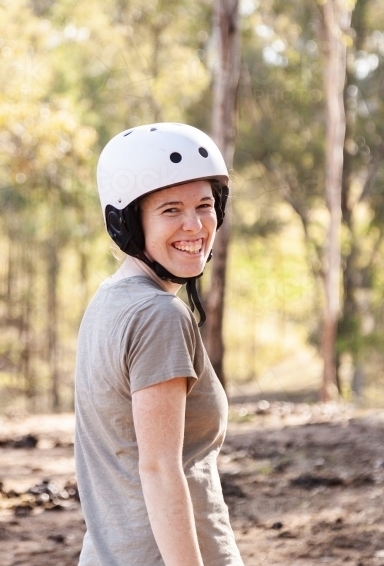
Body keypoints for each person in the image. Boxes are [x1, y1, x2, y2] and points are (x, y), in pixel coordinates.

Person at [74, 123, 244, 566]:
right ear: (129, 223)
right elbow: (160, 470)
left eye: (204, 206)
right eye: (170, 210)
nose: (195, 225)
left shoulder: (109, 302)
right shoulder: (159, 316)